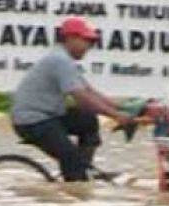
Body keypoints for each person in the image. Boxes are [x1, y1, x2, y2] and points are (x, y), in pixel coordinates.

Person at [11, 16, 140, 182]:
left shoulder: (65, 60)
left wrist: (123, 108)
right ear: (71, 38)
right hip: (33, 121)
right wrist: (115, 115)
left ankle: (84, 169)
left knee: (87, 120)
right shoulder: (60, 60)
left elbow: (90, 92)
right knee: (71, 158)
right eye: (87, 41)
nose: (89, 46)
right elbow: (82, 98)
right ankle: (75, 188)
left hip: (49, 116)